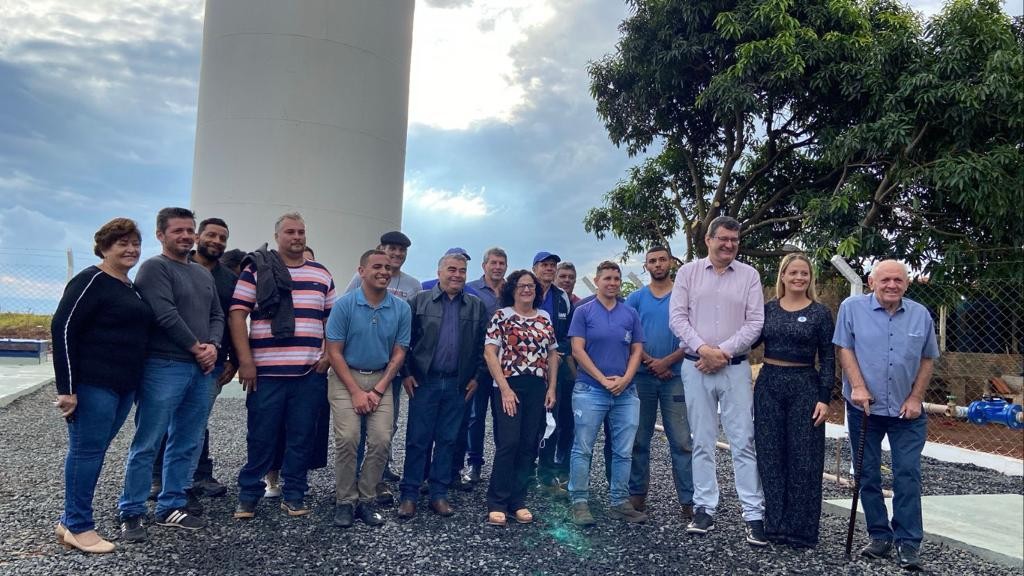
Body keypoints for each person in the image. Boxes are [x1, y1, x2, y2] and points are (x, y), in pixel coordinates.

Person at [118, 207, 224, 541]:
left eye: (189, 230)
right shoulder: (154, 268)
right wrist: (197, 347)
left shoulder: (202, 274)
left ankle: (171, 504)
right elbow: (165, 314)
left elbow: (217, 314)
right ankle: (131, 510)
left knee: (187, 441)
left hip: (201, 369)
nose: (186, 236)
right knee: (149, 440)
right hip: (164, 365)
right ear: (161, 235)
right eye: (178, 230)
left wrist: (214, 348)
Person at [51, 218, 152, 553]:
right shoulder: (90, 281)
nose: (131, 250)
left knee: (92, 452)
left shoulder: (129, 286)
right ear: (105, 247)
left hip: (123, 386)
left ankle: (69, 520)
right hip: (94, 383)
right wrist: (66, 388)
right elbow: (63, 329)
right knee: (86, 451)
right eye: (122, 243)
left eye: (135, 243)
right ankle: (79, 527)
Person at [833, 260, 938, 571]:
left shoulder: (920, 315)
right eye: (885, 280)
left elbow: (928, 358)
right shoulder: (851, 308)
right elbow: (844, 349)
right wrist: (859, 387)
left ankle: (908, 542)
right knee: (866, 474)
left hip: (907, 411)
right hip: (864, 409)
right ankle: (879, 536)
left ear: (906, 284)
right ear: (871, 281)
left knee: (907, 473)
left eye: (898, 280)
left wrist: (917, 397)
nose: (892, 285)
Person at [668, 215, 767, 546]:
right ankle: (704, 508)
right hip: (695, 367)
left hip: (735, 368)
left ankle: (753, 514)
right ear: (708, 239)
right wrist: (702, 350)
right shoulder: (688, 273)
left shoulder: (749, 275)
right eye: (723, 239)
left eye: (734, 240)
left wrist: (720, 353)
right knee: (702, 440)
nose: (728, 245)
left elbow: (755, 322)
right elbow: (677, 317)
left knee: (743, 440)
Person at [231, 212, 335, 520]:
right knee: (260, 436)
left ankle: (294, 494)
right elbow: (237, 315)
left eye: (301, 231)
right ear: (277, 236)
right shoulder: (256, 270)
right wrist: (245, 362)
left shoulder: (321, 274)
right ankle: (249, 495)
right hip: (266, 374)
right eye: (290, 232)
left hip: (308, 374)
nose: (297, 237)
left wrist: (328, 355)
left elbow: (331, 320)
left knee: (302, 437)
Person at [150, 217, 237, 504]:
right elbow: (165, 314)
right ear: (199, 237)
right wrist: (196, 347)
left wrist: (230, 358)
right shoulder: (168, 269)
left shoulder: (228, 280)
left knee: (195, 424)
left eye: (223, 237)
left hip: (211, 363)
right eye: (211, 235)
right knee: (163, 422)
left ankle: (194, 478)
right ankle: (156, 478)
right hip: (171, 359)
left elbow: (231, 320)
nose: (217, 241)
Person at [397, 252, 487, 520]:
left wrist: (477, 377)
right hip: (426, 382)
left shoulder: (475, 306)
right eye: (451, 269)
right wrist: (406, 373)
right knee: (417, 440)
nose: (457, 275)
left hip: (458, 385)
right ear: (439, 272)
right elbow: (404, 341)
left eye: (462, 270)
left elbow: (485, 346)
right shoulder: (419, 301)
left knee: (448, 440)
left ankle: (439, 494)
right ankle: (410, 495)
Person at [753, 253, 835, 548]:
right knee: (771, 456)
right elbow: (747, 339)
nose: (799, 278)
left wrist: (824, 398)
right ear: (783, 276)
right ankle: (774, 526)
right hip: (770, 384)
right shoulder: (767, 310)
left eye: (804, 273)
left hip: (805, 386)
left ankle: (800, 531)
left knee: (804, 459)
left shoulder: (820, 314)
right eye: (793, 273)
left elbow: (827, 358)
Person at [325, 249, 411, 527]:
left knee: (381, 439)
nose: (384, 271)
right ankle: (345, 501)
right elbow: (334, 351)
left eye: (388, 267)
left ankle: (366, 499)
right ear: (361, 271)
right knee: (348, 438)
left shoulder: (401, 308)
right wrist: (356, 392)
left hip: (382, 379)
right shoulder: (345, 305)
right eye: (376, 266)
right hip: (346, 377)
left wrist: (377, 390)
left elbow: (399, 352)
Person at [567, 261, 645, 526]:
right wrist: (601, 379)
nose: (612, 283)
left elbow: (636, 350)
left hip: (624, 391)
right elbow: (578, 349)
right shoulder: (583, 311)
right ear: (597, 280)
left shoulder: (630, 313)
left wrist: (625, 379)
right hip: (591, 389)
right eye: (607, 278)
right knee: (583, 447)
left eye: (616, 278)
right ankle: (579, 501)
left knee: (623, 450)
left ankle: (619, 501)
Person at [346, 230, 420, 498]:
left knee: (386, 424)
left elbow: (413, 331)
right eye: (392, 249)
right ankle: (353, 475)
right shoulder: (361, 277)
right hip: (360, 363)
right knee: (357, 423)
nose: (397, 255)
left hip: (393, 367)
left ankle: (379, 472)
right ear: (381, 249)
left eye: (402, 251)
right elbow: (345, 309)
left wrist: (407, 369)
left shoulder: (413, 286)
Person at [482, 269, 558, 526]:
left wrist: (552, 388)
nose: (527, 290)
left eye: (531, 286)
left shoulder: (545, 317)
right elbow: (490, 353)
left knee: (529, 444)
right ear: (512, 289)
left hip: (537, 386)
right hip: (508, 386)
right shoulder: (502, 316)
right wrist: (504, 389)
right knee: (509, 443)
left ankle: (518, 500)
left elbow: (551, 355)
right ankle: (497, 501)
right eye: (522, 286)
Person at [625, 246, 695, 520]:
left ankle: (689, 499)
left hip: (676, 377)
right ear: (645, 266)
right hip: (642, 377)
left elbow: (693, 332)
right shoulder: (635, 298)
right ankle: (637, 494)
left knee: (681, 440)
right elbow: (628, 335)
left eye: (662, 259)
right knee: (639, 438)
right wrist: (650, 361)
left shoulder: (685, 295)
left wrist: (668, 361)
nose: (657, 265)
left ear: (671, 263)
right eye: (652, 261)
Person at [263, 243, 330, 499]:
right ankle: (272, 479)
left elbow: (329, 322)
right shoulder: (271, 283)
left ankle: (296, 482)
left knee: (304, 430)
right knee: (272, 428)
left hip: (310, 369)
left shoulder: (321, 282)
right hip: (274, 370)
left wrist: (326, 357)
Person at [464, 247, 508, 484]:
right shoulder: (471, 289)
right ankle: (474, 463)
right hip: (480, 363)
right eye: (494, 262)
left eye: (502, 263)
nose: (498, 267)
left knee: (504, 416)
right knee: (475, 416)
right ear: (484, 266)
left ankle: (504, 465)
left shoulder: (511, 291)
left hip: (508, 365)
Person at [531, 251, 573, 498]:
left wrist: (559, 354)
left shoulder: (562, 298)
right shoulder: (526, 289)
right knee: (527, 424)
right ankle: (523, 473)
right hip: (528, 369)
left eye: (552, 266)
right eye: (545, 265)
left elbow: (567, 334)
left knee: (552, 423)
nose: (549, 269)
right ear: (535, 268)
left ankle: (546, 475)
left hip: (555, 369)